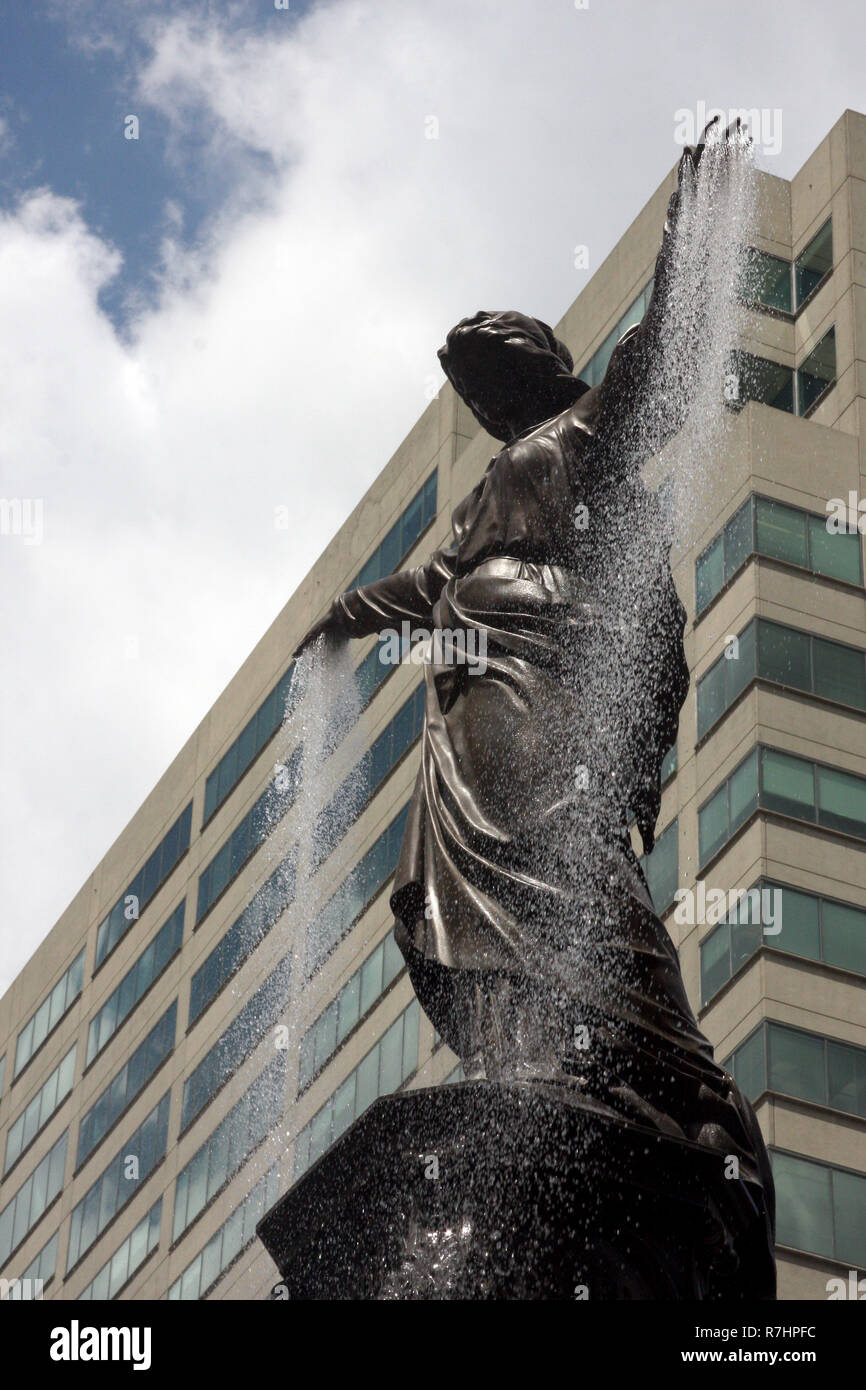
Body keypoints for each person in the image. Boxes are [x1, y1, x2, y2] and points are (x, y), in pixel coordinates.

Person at [294, 122, 774, 1289]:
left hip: (540, 680)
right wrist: (345, 621)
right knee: (469, 886)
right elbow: (431, 584)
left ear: (536, 364)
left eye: (488, 368)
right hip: (471, 694)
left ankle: (656, 1068)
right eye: (466, 382)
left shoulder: (584, 437)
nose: (477, 390)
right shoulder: (488, 495)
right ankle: (529, 1046)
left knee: (554, 858)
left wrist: (689, 230)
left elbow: (661, 360)